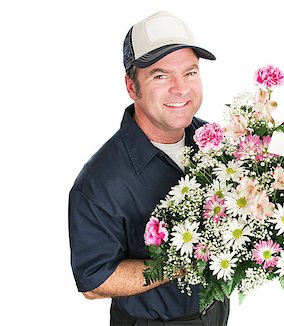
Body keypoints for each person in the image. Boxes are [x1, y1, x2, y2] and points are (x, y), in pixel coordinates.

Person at [68, 11, 230, 325]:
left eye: (190, 72)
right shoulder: (101, 181)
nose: (181, 88)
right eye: (160, 75)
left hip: (216, 313)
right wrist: (178, 264)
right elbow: (94, 280)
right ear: (132, 86)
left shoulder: (216, 143)